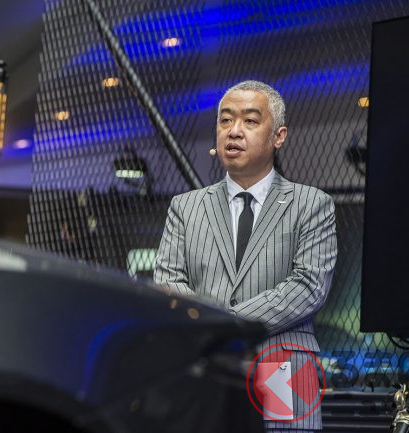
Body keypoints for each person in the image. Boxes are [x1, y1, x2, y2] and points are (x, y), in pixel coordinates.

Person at [154, 80, 337, 432]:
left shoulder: (312, 204)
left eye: (250, 121)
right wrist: (216, 331)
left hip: (283, 364)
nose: (234, 131)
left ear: (279, 136)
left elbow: (308, 286)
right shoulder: (185, 207)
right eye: (225, 120)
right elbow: (168, 282)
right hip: (206, 365)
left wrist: (225, 325)